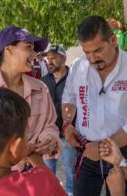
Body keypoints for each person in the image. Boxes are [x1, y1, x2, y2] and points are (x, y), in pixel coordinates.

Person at [61, 16, 127, 196]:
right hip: (86, 150)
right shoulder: (78, 66)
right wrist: (67, 125)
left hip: (123, 152)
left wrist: (103, 147)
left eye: (97, 50)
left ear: (113, 40)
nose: (91, 59)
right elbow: (69, 97)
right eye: (86, 52)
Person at [0, 26, 61, 169]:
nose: (34, 54)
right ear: (9, 50)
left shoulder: (41, 89)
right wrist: (19, 152)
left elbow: (50, 125)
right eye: (28, 47)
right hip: (3, 176)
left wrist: (49, 138)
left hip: (37, 170)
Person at [41, 45, 76, 195]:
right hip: (49, 135)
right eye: (48, 58)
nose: (49, 61)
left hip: (69, 134)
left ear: (63, 58)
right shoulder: (43, 81)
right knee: (48, 171)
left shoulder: (74, 79)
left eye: (53, 58)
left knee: (71, 171)